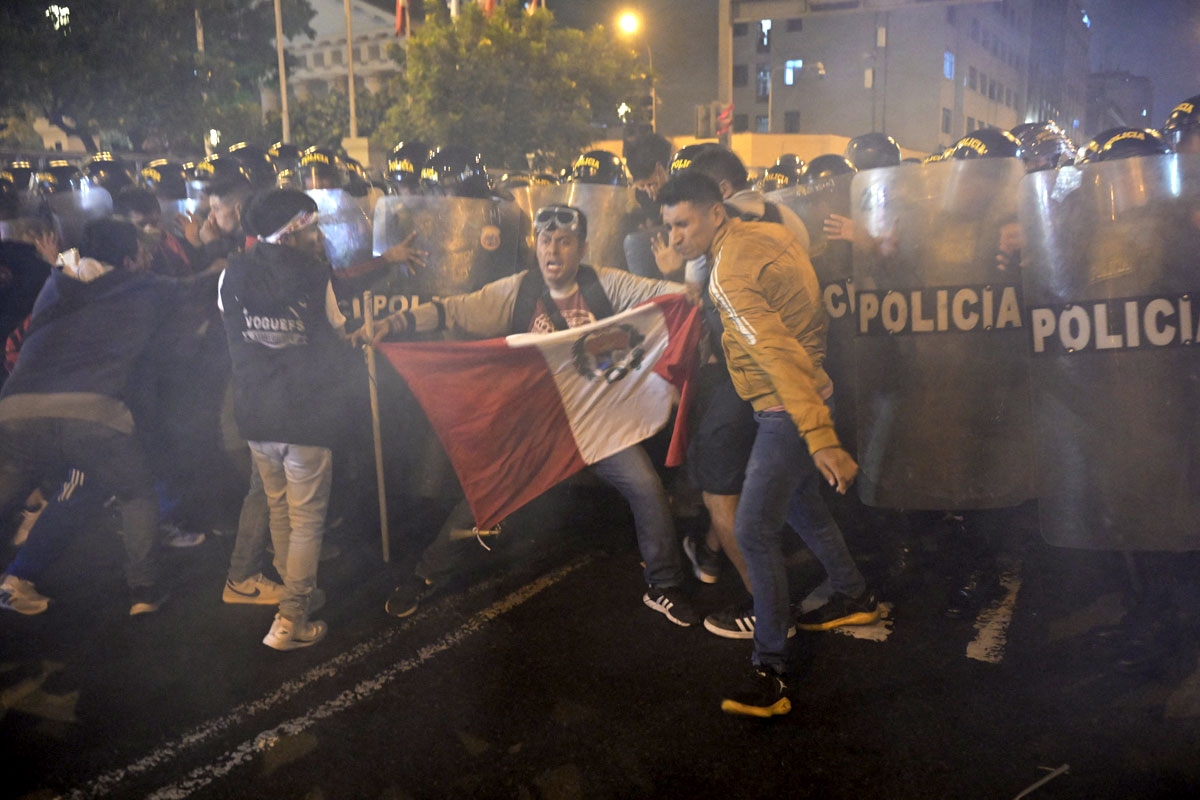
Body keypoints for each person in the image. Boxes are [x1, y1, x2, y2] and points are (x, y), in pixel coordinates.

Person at [380, 204, 701, 628]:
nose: (554, 250)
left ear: (582, 247)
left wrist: (685, 280)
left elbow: (672, 300)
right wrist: (399, 321)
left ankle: (664, 584)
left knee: (645, 486)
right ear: (536, 244)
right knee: (483, 496)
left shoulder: (605, 284)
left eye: (565, 241)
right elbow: (454, 309)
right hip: (533, 427)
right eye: (546, 240)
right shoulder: (518, 291)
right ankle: (425, 575)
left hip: (596, 423)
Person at [659, 173, 877, 717]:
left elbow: (775, 351)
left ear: (715, 213)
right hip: (804, 387)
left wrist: (820, 435)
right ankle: (854, 594)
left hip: (788, 403)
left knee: (754, 529)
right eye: (668, 227)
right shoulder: (766, 235)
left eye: (683, 223)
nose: (674, 237)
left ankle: (772, 669)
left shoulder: (728, 273)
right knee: (804, 507)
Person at [0, 218, 213, 615]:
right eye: (142, 252)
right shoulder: (143, 286)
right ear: (130, 259)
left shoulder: (56, 281)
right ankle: (144, 591)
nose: (149, 258)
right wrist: (222, 261)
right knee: (134, 493)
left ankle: (16, 579)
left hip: (14, 409)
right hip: (90, 412)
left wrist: (61, 253)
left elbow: (77, 266)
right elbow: (194, 286)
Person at [219, 189, 372, 650]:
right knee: (306, 521)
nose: (316, 235)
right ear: (290, 233)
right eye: (310, 227)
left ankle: (296, 597)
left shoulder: (232, 272)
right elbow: (337, 331)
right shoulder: (313, 274)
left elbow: (232, 332)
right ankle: (290, 620)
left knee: (282, 512)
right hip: (305, 414)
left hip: (256, 415)